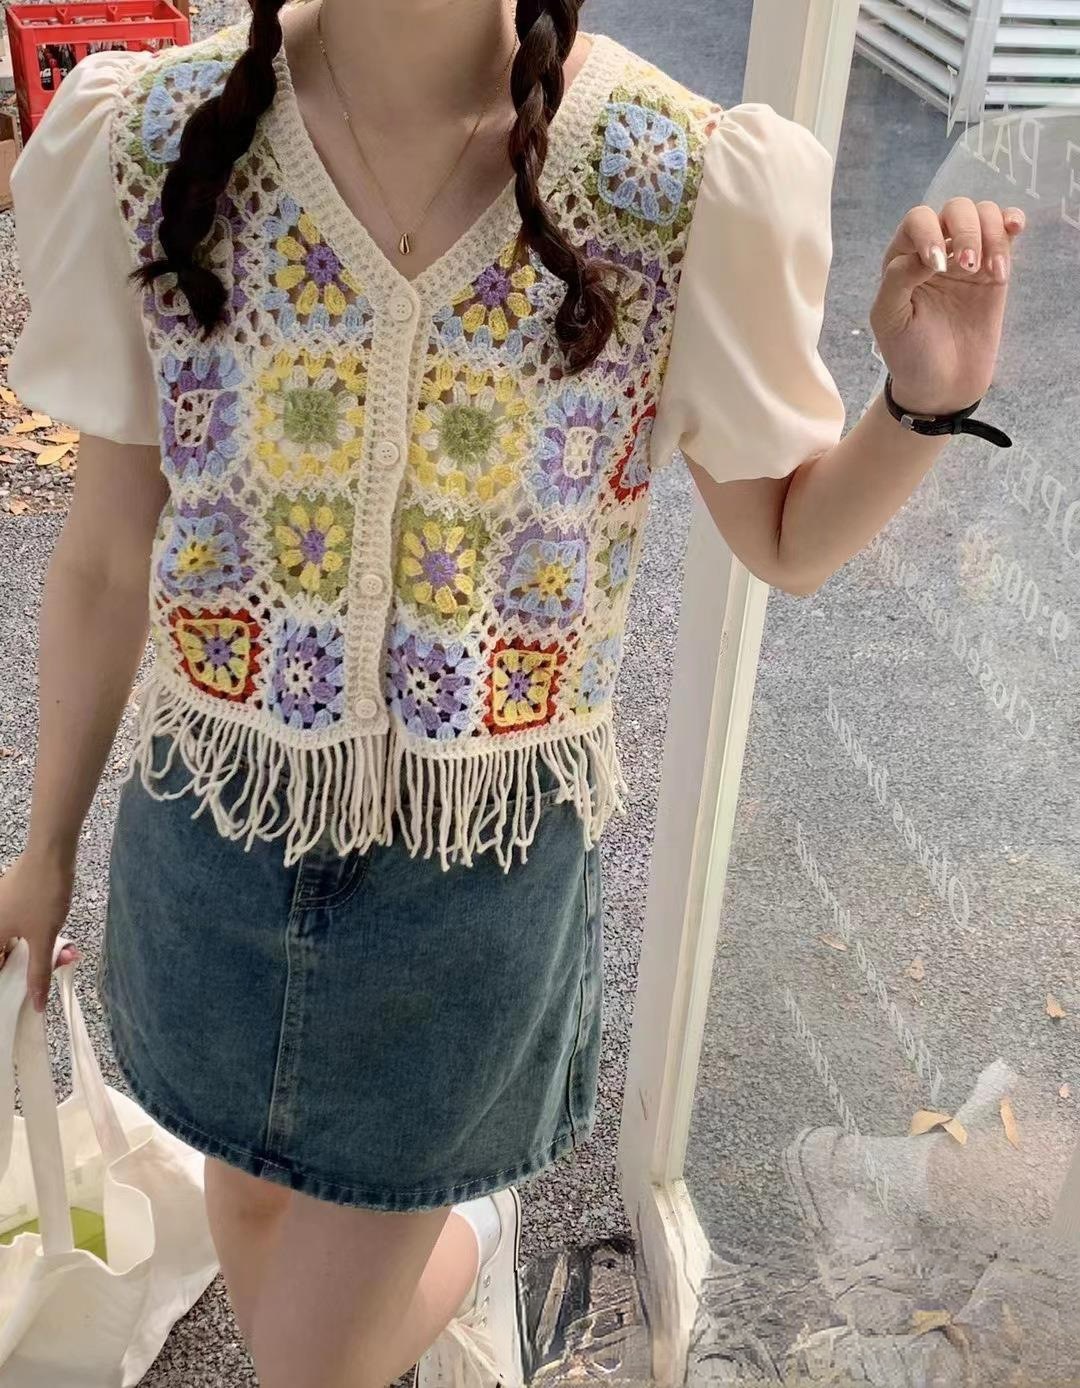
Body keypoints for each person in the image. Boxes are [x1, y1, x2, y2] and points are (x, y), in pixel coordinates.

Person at [1, 0, 1024, 1384]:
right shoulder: (159, 142)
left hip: (470, 892)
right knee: (245, 1202)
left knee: (309, 1362)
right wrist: (46, 846)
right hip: (214, 842)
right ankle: (461, 1225)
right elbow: (106, 554)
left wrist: (919, 405)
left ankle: (473, 1222)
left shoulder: (667, 176)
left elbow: (787, 538)